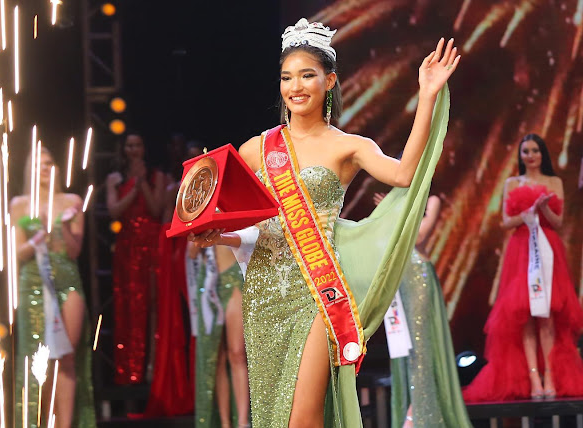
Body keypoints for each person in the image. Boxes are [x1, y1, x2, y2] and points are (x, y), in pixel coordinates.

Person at [189, 18, 459, 428]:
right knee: (275, 417)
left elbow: (404, 173)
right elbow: (247, 224)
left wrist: (426, 95)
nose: (295, 87)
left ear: (329, 81)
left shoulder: (348, 146)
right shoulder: (257, 149)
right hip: (263, 291)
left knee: (303, 416)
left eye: (307, 75)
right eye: (287, 77)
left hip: (316, 289)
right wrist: (215, 235)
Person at [463, 134, 583, 402]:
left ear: (543, 154)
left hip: (547, 249)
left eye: (535, 150)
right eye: (526, 151)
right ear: (521, 155)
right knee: (525, 316)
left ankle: (550, 376)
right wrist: (526, 215)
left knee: (547, 315)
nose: (530, 155)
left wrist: (543, 210)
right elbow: (506, 221)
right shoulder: (512, 183)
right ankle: (534, 380)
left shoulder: (554, 182)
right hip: (521, 252)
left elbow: (558, 222)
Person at [11, 147, 95, 428]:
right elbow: (18, 253)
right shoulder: (20, 204)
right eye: (39, 164)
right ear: (30, 170)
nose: (45, 168)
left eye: (49, 163)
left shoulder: (72, 201)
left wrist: (65, 228)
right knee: (41, 359)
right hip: (34, 281)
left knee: (67, 356)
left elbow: (74, 251)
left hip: (67, 279)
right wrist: (39, 236)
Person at [372, 191, 472, 428]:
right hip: (398, 278)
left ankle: (418, 415)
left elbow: (418, 237)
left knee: (421, 347)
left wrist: (395, 210)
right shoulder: (397, 198)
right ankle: (410, 410)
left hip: (418, 277)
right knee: (403, 347)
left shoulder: (431, 198)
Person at [106, 132, 166, 384]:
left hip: (152, 246)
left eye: (137, 145)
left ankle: (152, 368)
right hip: (127, 247)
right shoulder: (115, 178)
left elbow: (156, 208)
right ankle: (129, 370)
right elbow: (114, 211)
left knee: (153, 303)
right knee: (128, 305)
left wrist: (142, 183)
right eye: (129, 146)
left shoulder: (156, 176)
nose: (133, 150)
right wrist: (133, 186)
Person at [187, 244, 250, 428]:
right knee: (217, 357)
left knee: (237, 353)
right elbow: (192, 253)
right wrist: (197, 238)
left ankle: (243, 422)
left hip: (233, 276)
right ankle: (224, 422)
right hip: (209, 281)